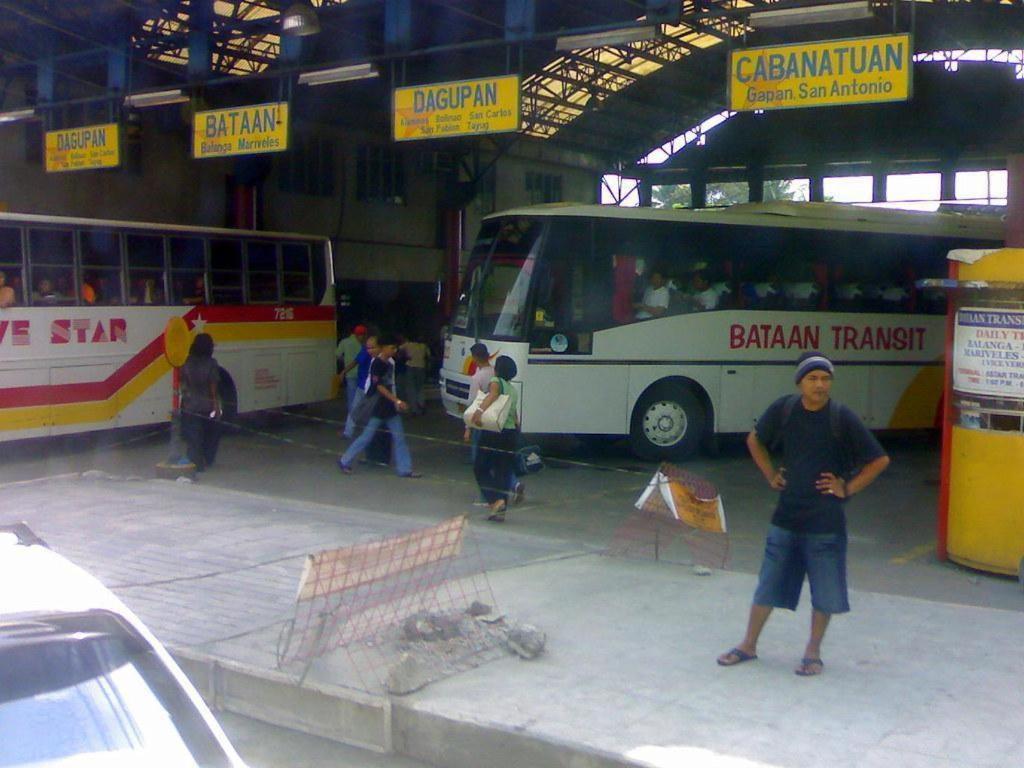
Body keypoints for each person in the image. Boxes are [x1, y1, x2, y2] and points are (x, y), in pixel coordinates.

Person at [717, 352, 890, 677]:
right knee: (767, 585)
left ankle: (813, 653)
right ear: (800, 382)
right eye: (813, 378)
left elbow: (879, 460)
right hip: (786, 518)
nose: (820, 385)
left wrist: (847, 488)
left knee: (824, 592)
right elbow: (755, 441)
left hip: (826, 522)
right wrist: (770, 474)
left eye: (825, 379)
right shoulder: (784, 410)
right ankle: (748, 645)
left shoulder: (842, 417)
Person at [337, 333, 421, 478]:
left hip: (388, 407)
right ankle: (345, 460)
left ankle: (405, 469)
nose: (394, 350)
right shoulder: (377, 363)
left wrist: (394, 401)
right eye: (392, 347)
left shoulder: (391, 362)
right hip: (378, 406)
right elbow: (379, 386)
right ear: (384, 348)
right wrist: (397, 401)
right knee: (367, 437)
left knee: (398, 437)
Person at [471, 355, 520, 522]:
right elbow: (515, 416)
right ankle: (500, 508)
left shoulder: (496, 381)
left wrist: (479, 411)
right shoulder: (513, 390)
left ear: (498, 369)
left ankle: (494, 500)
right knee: (503, 471)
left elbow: (491, 396)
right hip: (510, 434)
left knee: (480, 467)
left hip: (494, 432)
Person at [179, 333, 222, 472]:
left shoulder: (186, 362)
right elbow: (213, 386)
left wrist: (184, 401)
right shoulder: (211, 363)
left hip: (190, 405)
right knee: (210, 434)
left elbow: (183, 383)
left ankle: (195, 462)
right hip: (207, 405)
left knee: (193, 436)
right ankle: (207, 459)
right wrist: (216, 405)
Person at [344, 334, 377, 439]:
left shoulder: (365, 350)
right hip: (370, 386)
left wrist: (343, 372)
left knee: (356, 409)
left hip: (363, 385)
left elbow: (356, 361)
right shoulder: (379, 353)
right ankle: (370, 432)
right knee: (371, 410)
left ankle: (349, 432)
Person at [337, 324, 368, 412]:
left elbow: (338, 355)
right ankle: (362, 414)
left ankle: (352, 416)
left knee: (351, 396)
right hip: (363, 373)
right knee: (363, 395)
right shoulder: (365, 344)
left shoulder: (344, 342)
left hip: (350, 373)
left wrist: (345, 361)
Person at [399, 335, 431, 415]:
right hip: (421, 367)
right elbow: (428, 356)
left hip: (410, 367)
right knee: (420, 388)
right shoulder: (424, 346)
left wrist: (406, 356)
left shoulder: (408, 345)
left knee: (411, 388)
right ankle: (421, 404)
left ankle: (414, 409)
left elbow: (398, 349)